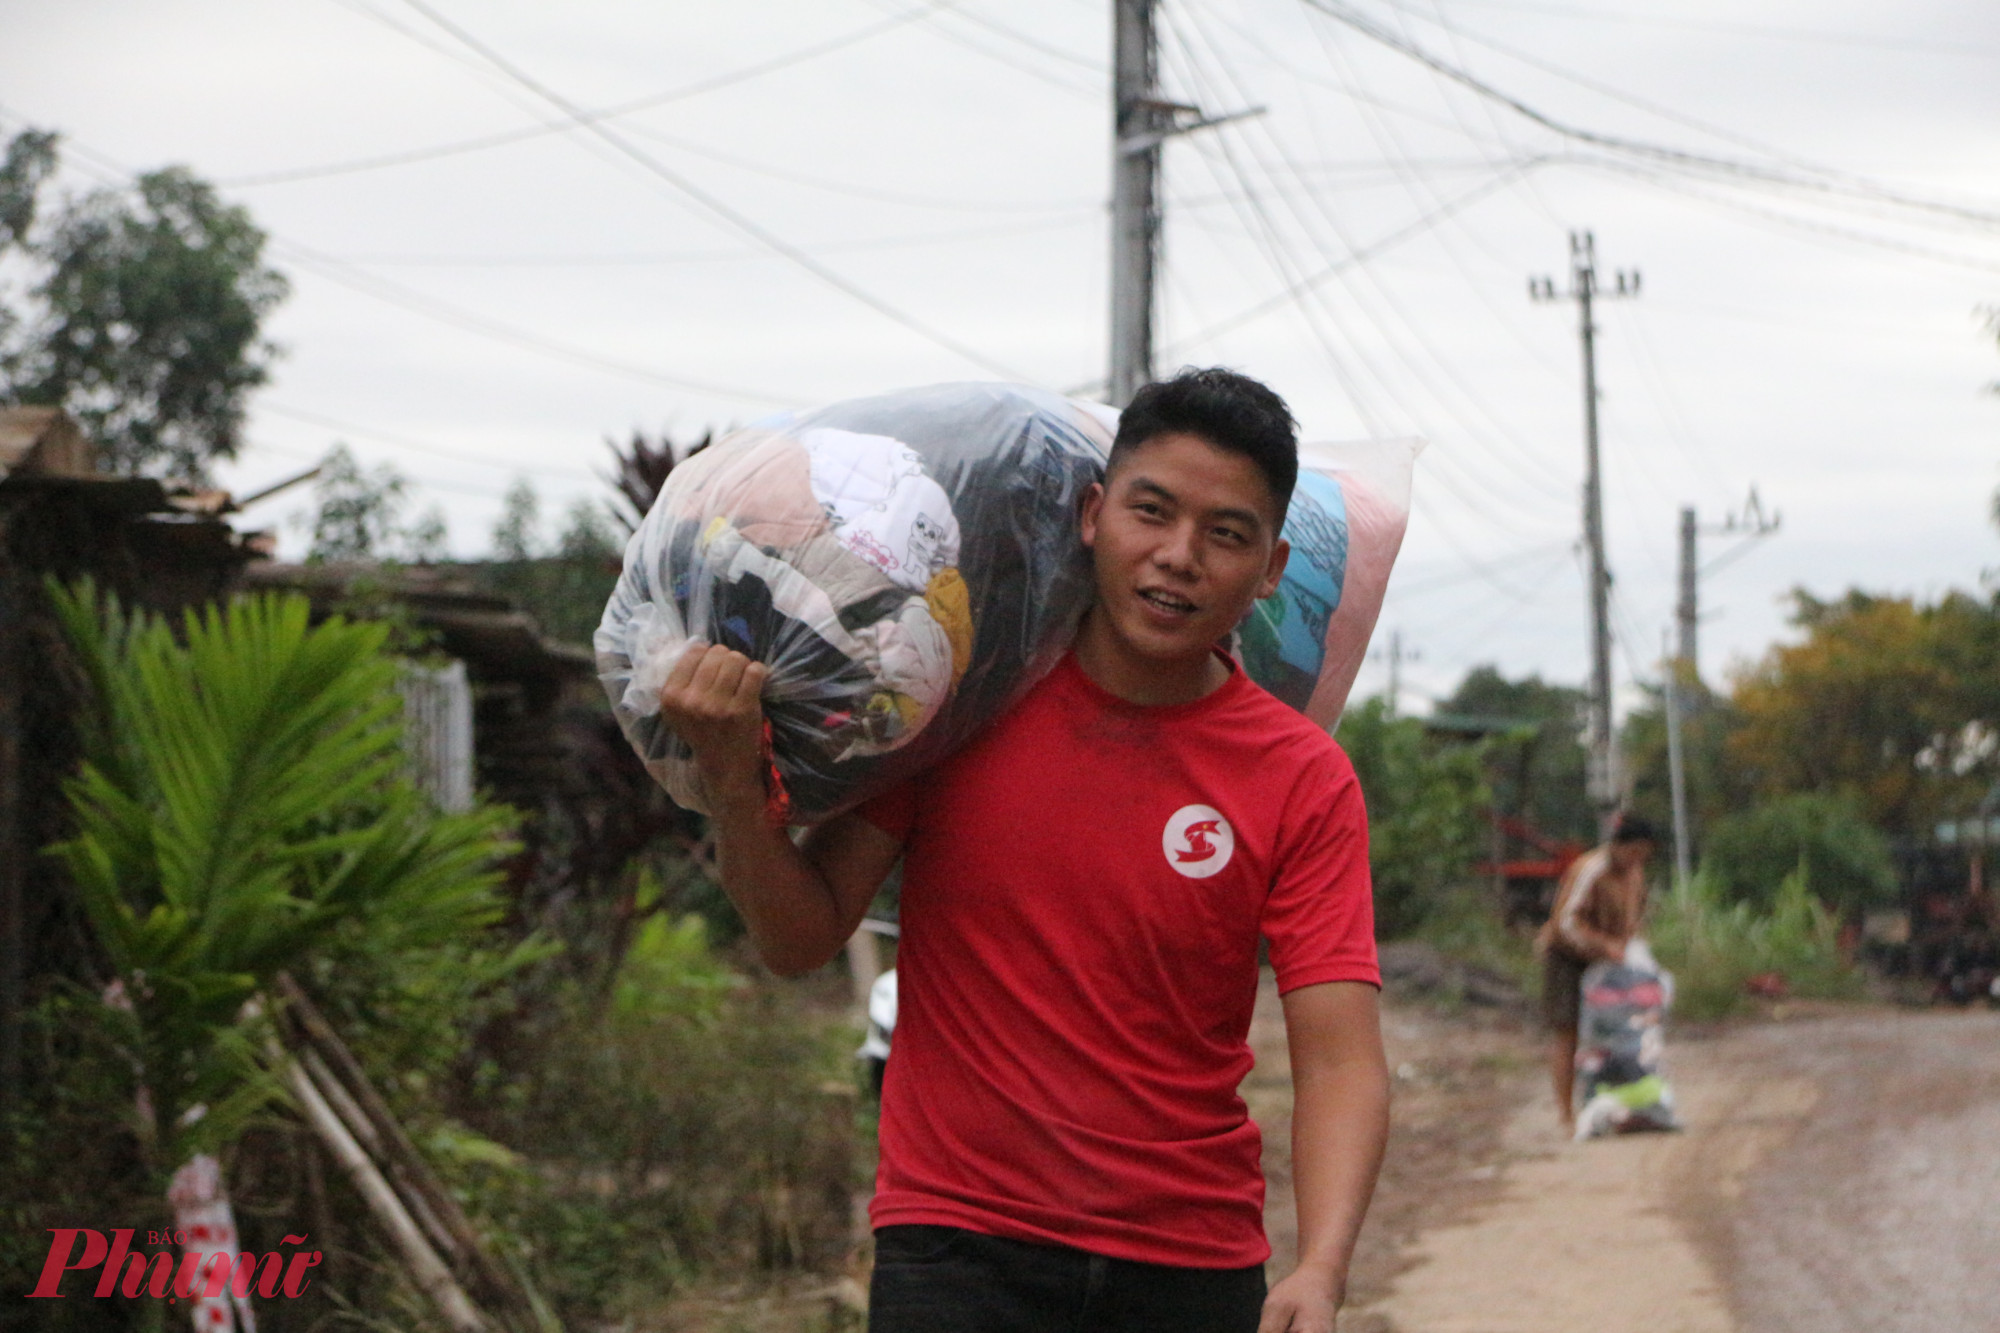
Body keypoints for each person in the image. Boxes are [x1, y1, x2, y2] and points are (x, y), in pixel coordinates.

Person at [656, 367, 1389, 1333]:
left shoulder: (1301, 776)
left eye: (1225, 534)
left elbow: (1339, 1058)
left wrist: (1322, 1268)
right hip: (957, 1252)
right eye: (1152, 512)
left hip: (1191, 1264)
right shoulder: (959, 702)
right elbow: (800, 937)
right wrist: (731, 783)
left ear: (1270, 569)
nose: (1178, 557)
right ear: (1093, 513)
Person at [1537, 812, 1658, 1133]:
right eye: (1633, 853)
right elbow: (1565, 922)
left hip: (1609, 961)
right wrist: (1603, 946)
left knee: (1618, 1034)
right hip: (1568, 957)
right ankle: (1566, 1114)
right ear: (1619, 846)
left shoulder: (1634, 874)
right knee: (1568, 1032)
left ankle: (1613, 1106)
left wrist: (1632, 951)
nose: (1637, 860)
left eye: (1643, 855)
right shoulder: (1590, 869)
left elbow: (1635, 915)